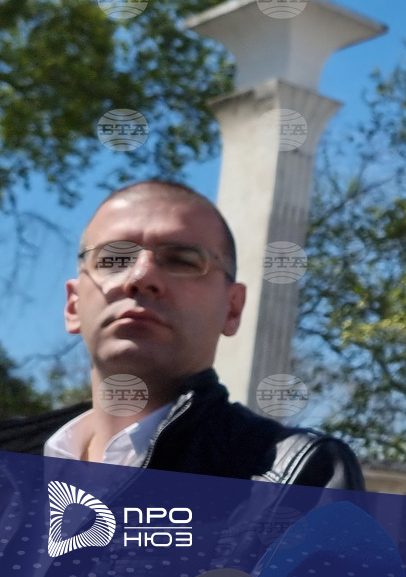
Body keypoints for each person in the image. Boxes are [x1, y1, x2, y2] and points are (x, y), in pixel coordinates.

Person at [0, 180, 363, 490]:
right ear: (73, 305)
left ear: (232, 309)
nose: (141, 277)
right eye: (113, 259)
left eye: (181, 260)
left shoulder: (299, 476)